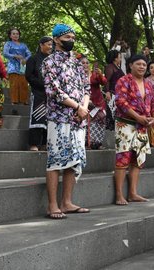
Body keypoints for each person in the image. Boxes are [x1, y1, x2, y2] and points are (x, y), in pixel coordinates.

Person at [41, 24, 90, 219]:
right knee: (56, 160)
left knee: (74, 160)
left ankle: (67, 202)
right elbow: (53, 90)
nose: (71, 40)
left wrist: (83, 108)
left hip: (79, 118)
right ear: (56, 39)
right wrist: (77, 107)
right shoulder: (49, 62)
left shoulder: (77, 62)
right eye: (67, 37)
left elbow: (86, 87)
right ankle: (52, 205)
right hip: (59, 117)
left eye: (73, 37)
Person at [113, 55, 154, 205]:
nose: (142, 67)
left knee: (138, 160)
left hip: (143, 126)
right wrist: (138, 117)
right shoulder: (123, 80)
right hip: (125, 124)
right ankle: (119, 195)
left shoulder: (148, 84)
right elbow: (120, 102)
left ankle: (133, 193)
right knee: (123, 158)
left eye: (144, 64)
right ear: (131, 65)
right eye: (138, 64)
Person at [25, 36, 52, 151]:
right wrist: (42, 84)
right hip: (38, 92)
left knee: (49, 119)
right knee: (37, 117)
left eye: (52, 45)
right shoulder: (33, 59)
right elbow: (29, 76)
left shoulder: (53, 60)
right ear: (41, 45)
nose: (51, 47)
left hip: (51, 95)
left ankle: (46, 143)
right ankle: (34, 144)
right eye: (48, 44)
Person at [81, 55, 107, 150]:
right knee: (86, 123)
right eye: (83, 63)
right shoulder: (76, 75)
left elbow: (104, 82)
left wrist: (100, 75)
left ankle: (98, 143)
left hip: (98, 103)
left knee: (100, 120)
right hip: (84, 103)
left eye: (87, 63)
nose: (85, 65)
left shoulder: (94, 74)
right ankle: (87, 143)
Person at [3, 27, 31, 105]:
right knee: (14, 84)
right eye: (13, 34)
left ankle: (24, 100)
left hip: (22, 66)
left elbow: (29, 54)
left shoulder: (23, 45)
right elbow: (5, 53)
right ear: (10, 35)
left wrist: (25, 59)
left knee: (23, 83)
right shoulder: (8, 44)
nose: (15, 35)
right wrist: (15, 56)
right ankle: (14, 101)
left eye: (17, 34)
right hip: (12, 65)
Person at [104, 49, 125, 131]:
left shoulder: (118, 67)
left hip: (120, 93)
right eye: (119, 57)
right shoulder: (109, 67)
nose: (120, 59)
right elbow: (107, 80)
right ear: (115, 58)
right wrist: (107, 92)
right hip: (112, 93)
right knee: (112, 114)